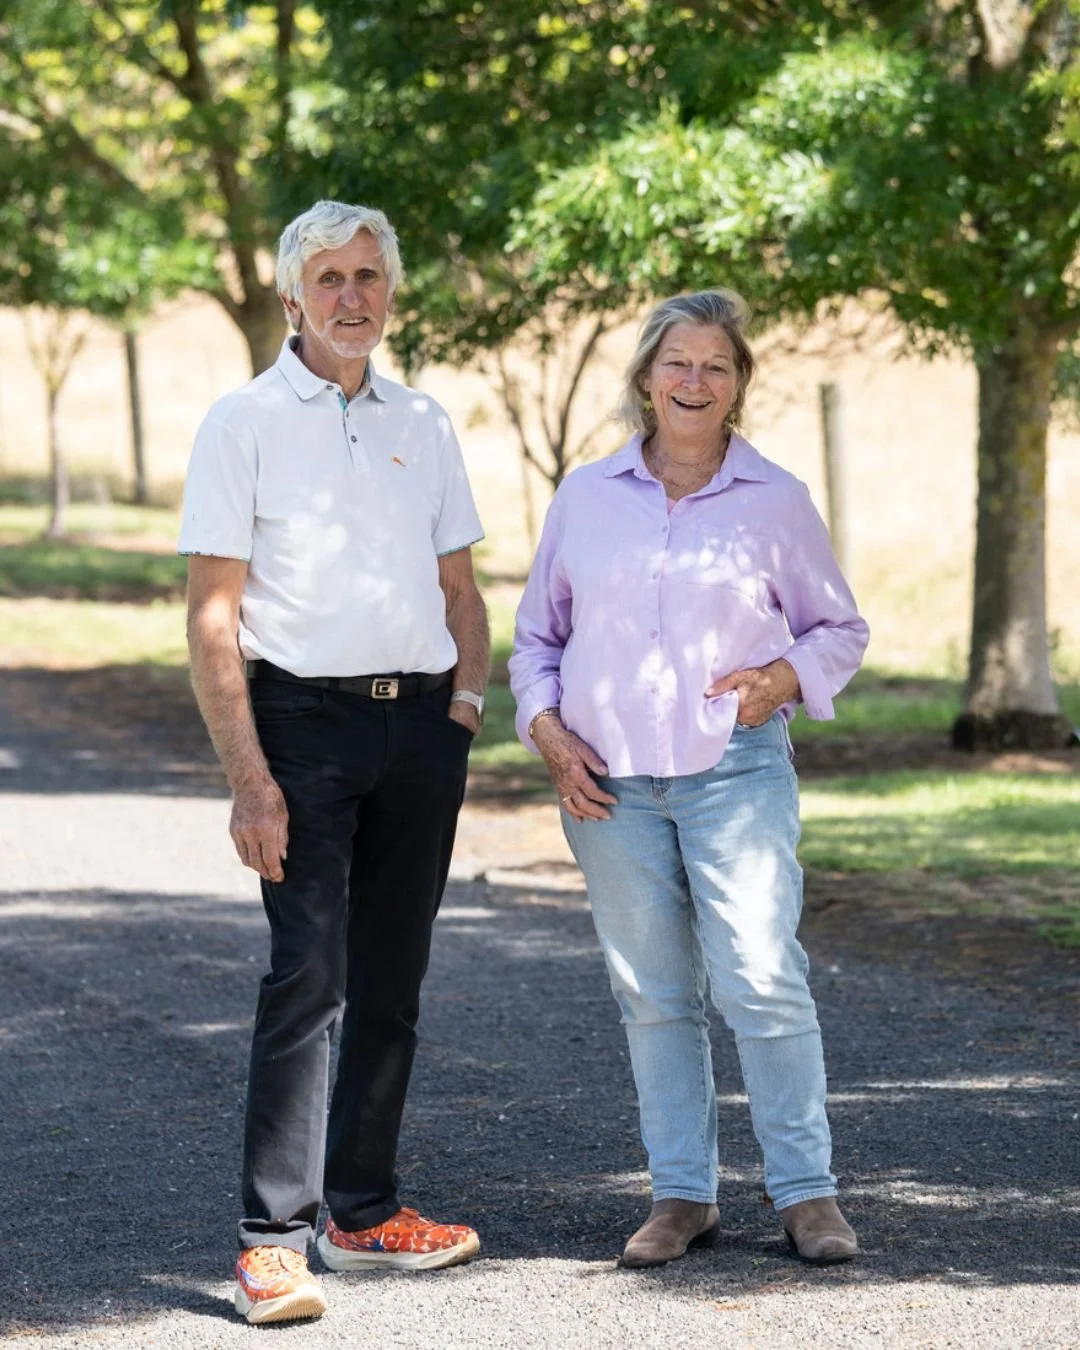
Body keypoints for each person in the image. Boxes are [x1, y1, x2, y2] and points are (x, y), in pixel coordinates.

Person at [509, 289, 870, 1269]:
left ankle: (807, 1195)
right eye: (678, 363)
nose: (695, 381)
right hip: (609, 784)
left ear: (740, 384)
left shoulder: (777, 500)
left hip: (735, 771)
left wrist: (784, 679)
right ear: (644, 378)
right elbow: (537, 637)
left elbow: (840, 627)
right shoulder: (586, 497)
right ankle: (682, 1196)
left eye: (717, 365)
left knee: (761, 978)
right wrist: (547, 733)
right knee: (655, 993)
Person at [180, 200, 489, 1324]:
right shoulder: (243, 423)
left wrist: (462, 700)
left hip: (419, 731)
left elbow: (461, 588)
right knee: (307, 978)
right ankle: (272, 1240)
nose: (352, 297)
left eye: (369, 276)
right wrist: (249, 779)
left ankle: (361, 1213)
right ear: (291, 296)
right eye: (330, 279)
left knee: (394, 980)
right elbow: (214, 618)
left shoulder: (427, 421)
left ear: (390, 291)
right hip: (299, 729)